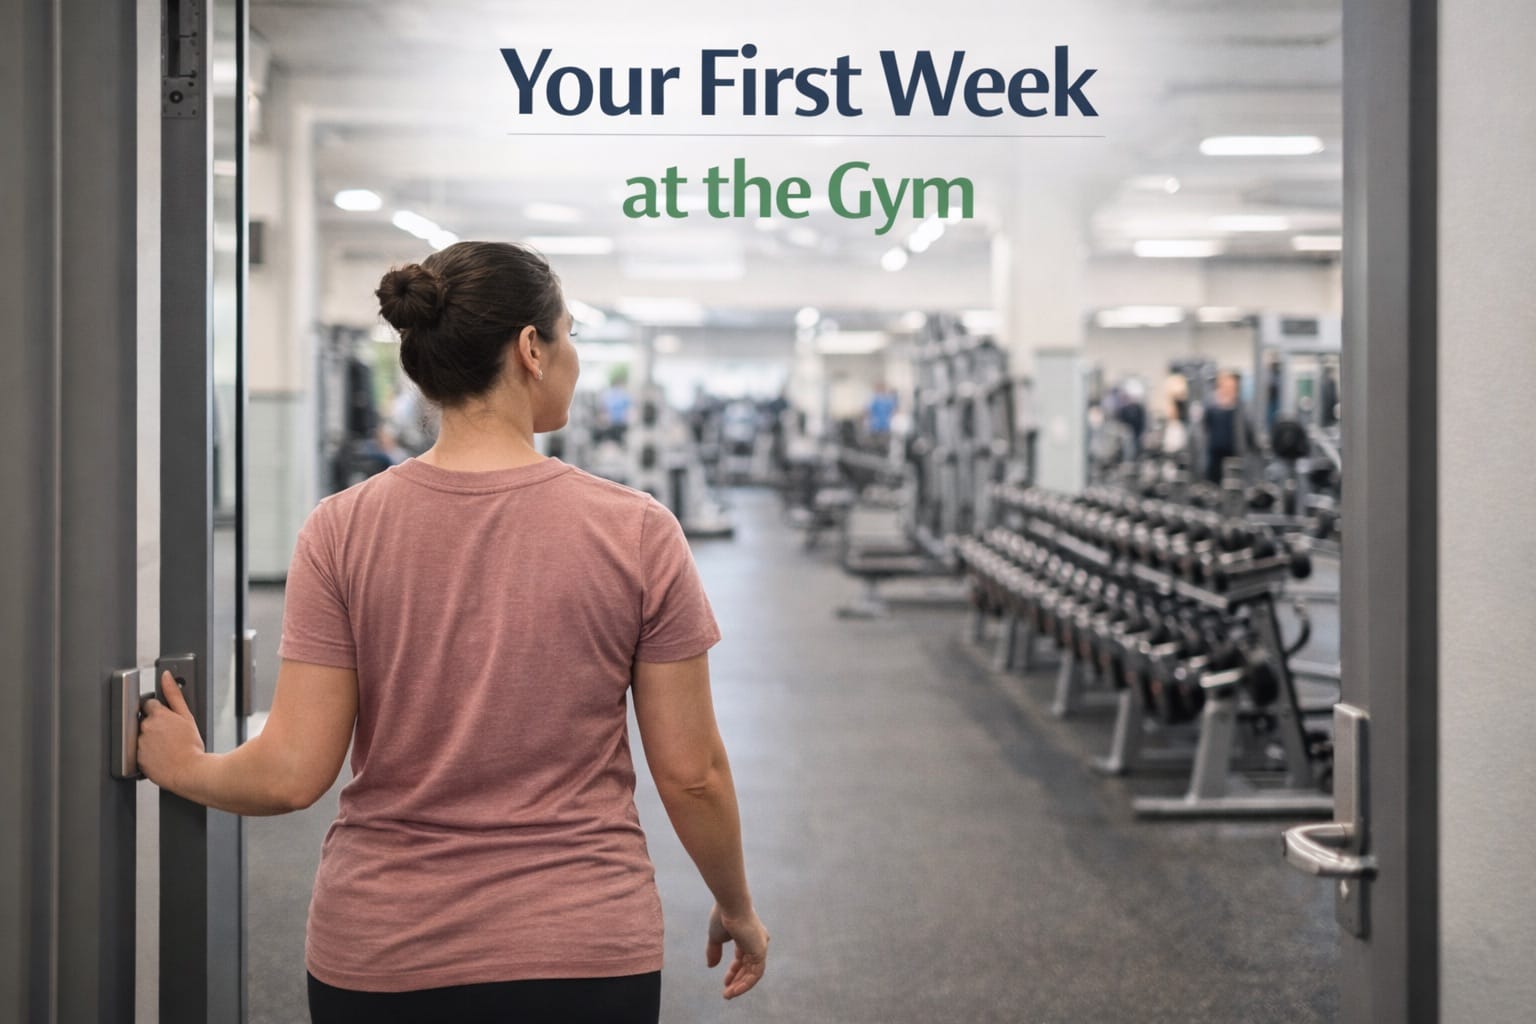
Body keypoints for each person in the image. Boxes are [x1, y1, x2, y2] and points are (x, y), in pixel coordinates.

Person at [135, 240, 769, 1023]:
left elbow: (292, 774)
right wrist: (735, 903)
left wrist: (186, 766)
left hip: (383, 949)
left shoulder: (340, 529)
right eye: (569, 335)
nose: (573, 359)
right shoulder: (638, 531)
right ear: (532, 348)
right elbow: (692, 774)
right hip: (579, 945)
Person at [1202, 370, 1254, 483]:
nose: (1229, 389)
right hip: (1215, 453)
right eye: (1226, 386)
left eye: (1232, 387)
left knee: (1234, 481)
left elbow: (1247, 428)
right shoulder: (1211, 405)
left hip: (1234, 451)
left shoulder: (1240, 406)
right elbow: (1205, 425)